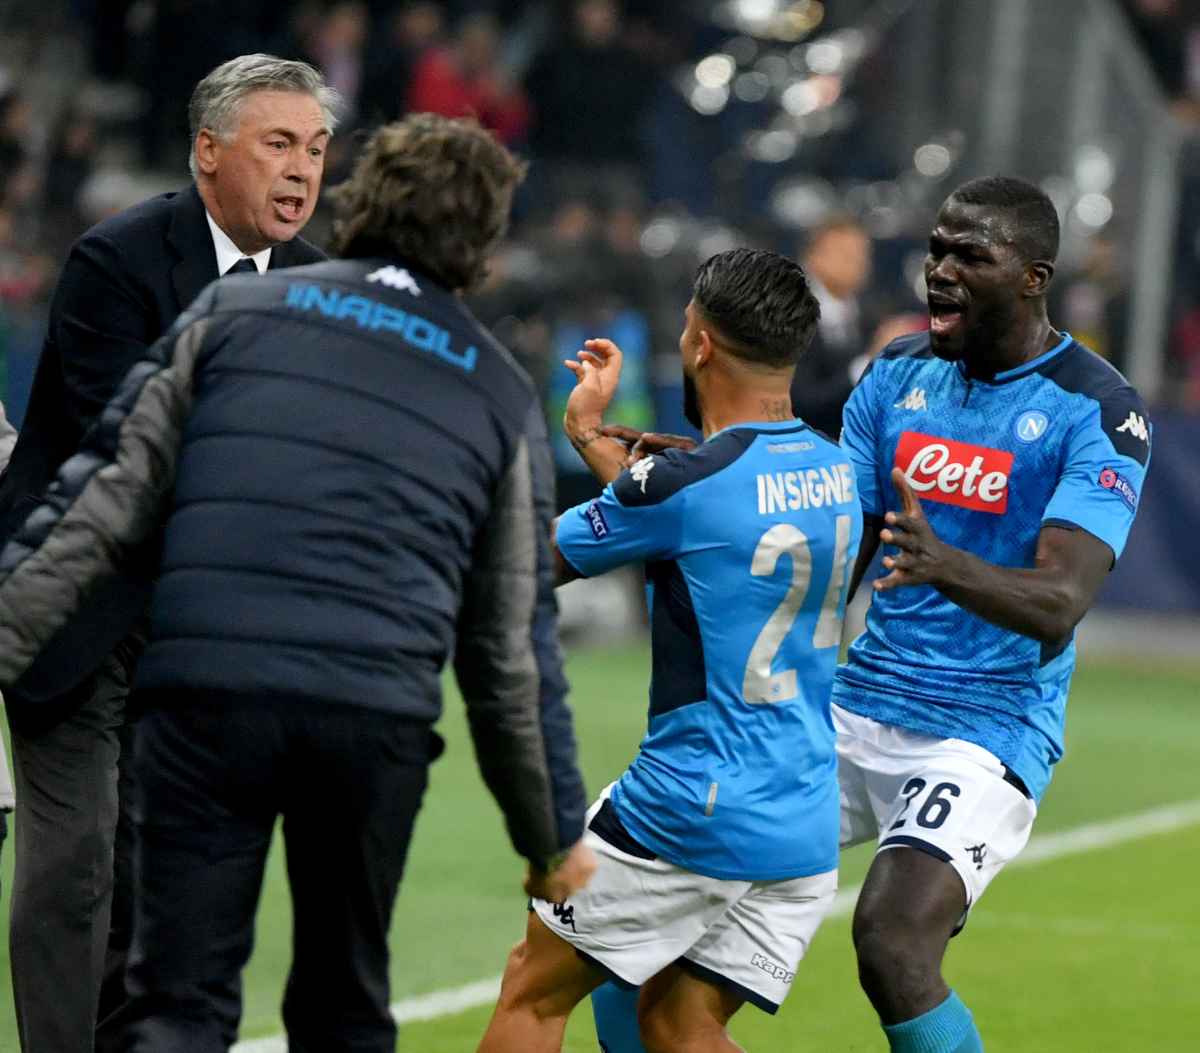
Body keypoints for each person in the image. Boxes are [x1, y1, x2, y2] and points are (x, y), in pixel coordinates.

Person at [0, 112, 594, 1051]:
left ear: (361, 204)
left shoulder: (230, 315)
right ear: (482, 241)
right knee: (340, 1003)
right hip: (370, 713)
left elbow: (95, 507)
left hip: (202, 700)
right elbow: (510, 646)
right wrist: (551, 830)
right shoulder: (497, 388)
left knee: (177, 1004)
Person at [591, 176, 1152, 1053]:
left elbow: (1060, 602)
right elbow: (827, 528)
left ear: (1034, 277)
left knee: (891, 937)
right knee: (633, 950)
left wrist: (943, 564)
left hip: (985, 730)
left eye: (972, 255)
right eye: (936, 250)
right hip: (852, 704)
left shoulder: (1099, 409)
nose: (941, 271)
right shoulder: (898, 372)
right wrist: (707, 478)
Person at [0, 53, 336, 1053]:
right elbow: (133, 453)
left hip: (194, 637)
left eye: (316, 149)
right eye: (278, 144)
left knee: (155, 884)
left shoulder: (322, 284)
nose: (301, 171)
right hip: (75, 609)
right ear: (207, 151)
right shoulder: (120, 260)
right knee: (75, 873)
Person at [478, 248, 862, 1053]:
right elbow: (704, 521)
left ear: (701, 346)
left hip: (695, 806)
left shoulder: (684, 484)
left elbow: (523, 567)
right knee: (678, 1024)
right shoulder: (837, 469)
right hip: (801, 813)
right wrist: (592, 438)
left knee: (533, 991)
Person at [788, 216, 875, 439]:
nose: (857, 263)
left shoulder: (869, 314)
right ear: (813, 257)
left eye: (861, 255)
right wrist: (868, 363)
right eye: (845, 254)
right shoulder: (790, 314)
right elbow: (801, 401)